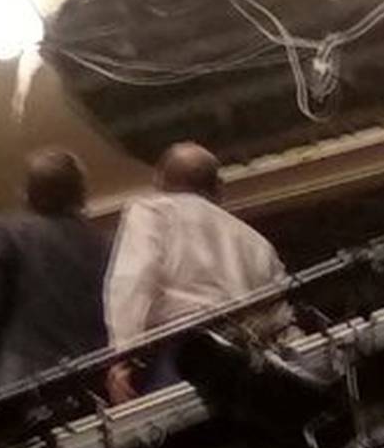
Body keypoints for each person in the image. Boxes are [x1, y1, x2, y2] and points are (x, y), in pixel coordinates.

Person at [105, 142, 293, 403]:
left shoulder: (151, 213)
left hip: (181, 355)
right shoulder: (256, 243)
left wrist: (122, 357)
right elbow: (278, 316)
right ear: (218, 188)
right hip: (245, 361)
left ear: (159, 184)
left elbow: (133, 282)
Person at [0, 149, 109, 401]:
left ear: (27, 191)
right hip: (94, 383)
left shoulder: (0, 233)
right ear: (80, 194)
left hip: (26, 388)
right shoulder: (99, 240)